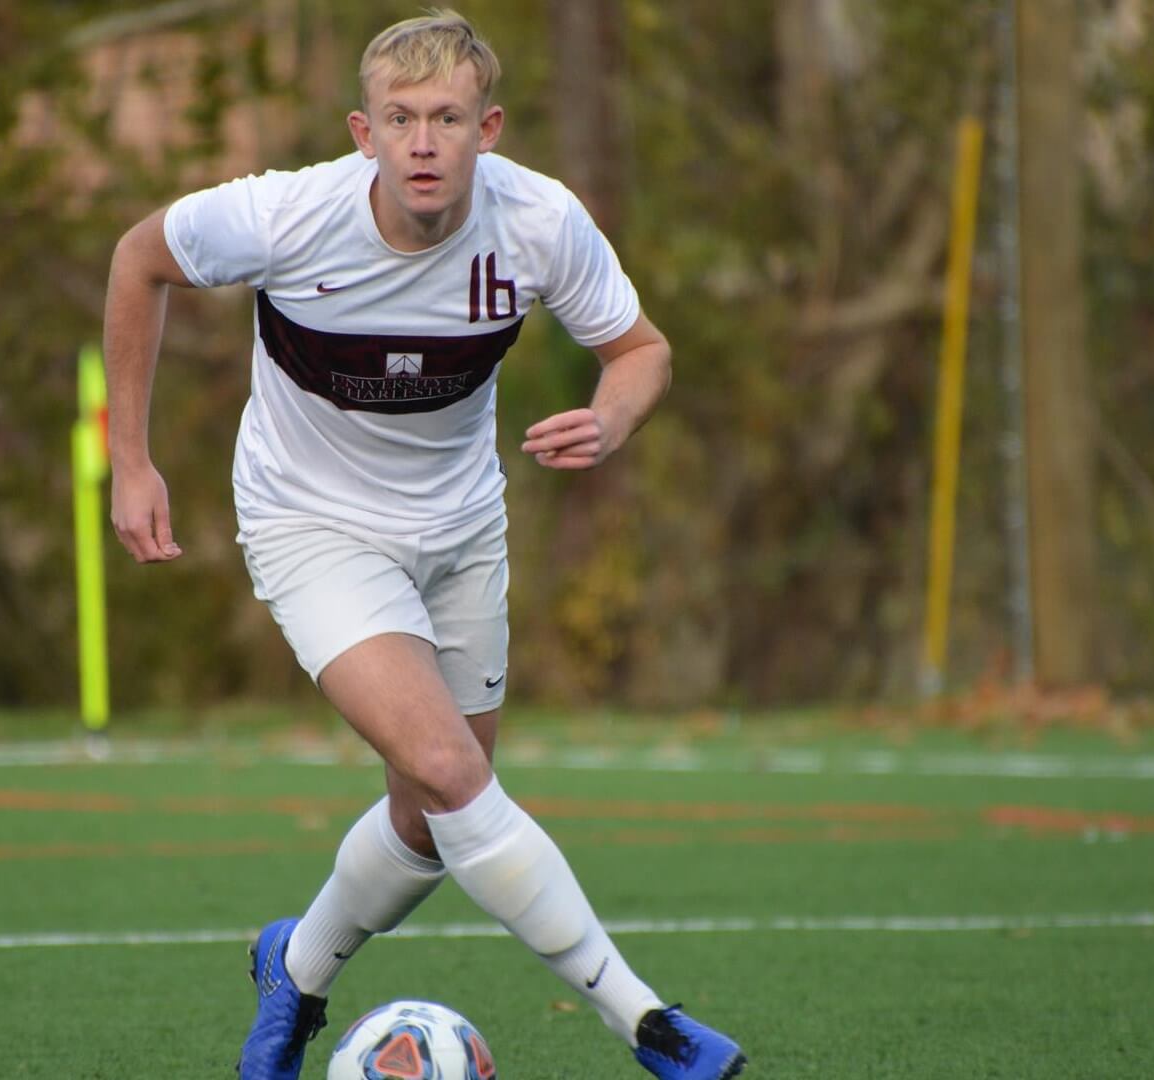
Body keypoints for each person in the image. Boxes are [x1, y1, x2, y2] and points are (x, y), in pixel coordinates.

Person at [101, 10, 747, 1079]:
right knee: (451, 773)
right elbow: (138, 259)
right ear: (362, 131)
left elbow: (639, 350)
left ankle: (294, 972)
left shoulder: (539, 223)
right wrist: (133, 460)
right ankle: (647, 1023)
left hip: (461, 529)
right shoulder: (285, 215)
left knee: (429, 813)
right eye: (399, 118)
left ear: (486, 129)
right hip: (309, 526)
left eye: (446, 117)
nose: (422, 142)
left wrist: (613, 415)